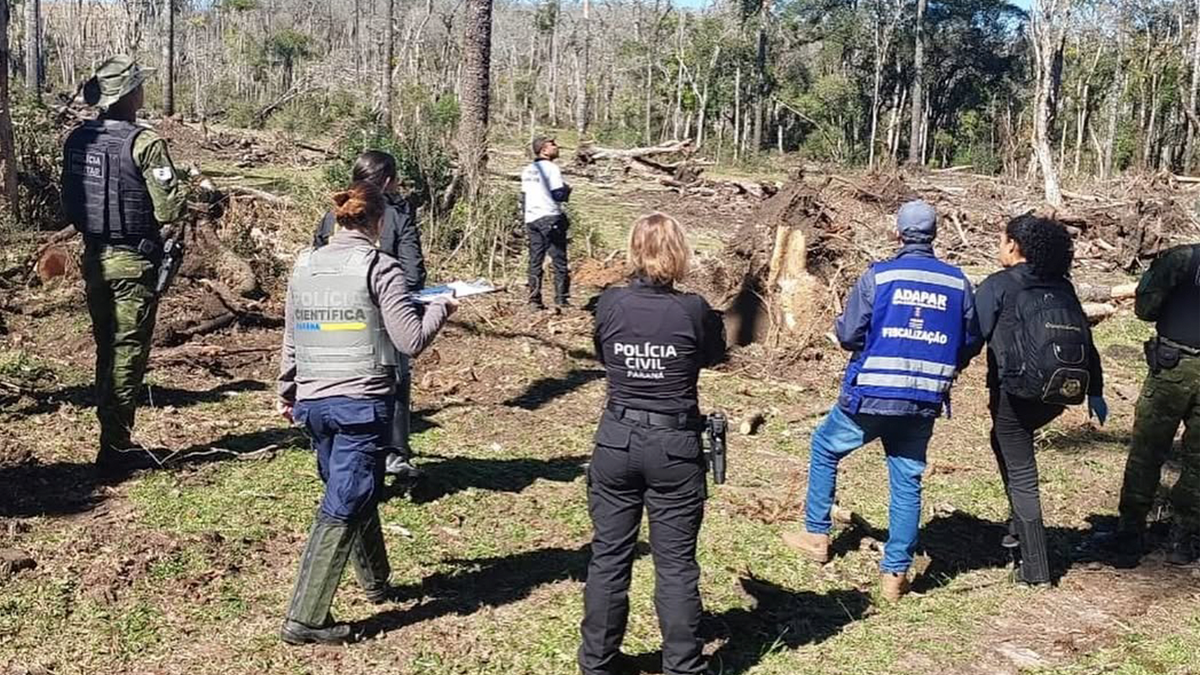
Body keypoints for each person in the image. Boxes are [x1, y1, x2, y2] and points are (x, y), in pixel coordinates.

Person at [277, 181, 454, 645]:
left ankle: (375, 582)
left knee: (353, 486)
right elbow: (410, 340)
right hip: (360, 401)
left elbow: (293, 335)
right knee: (346, 497)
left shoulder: (305, 266)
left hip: (313, 403)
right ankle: (306, 618)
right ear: (381, 222)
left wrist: (286, 389)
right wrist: (440, 308)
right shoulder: (382, 268)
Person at [780, 200, 980, 602]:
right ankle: (895, 576)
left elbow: (850, 335)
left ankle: (817, 535)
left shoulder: (879, 277)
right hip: (923, 400)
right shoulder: (958, 284)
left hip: (870, 397)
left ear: (898, 233)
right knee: (906, 481)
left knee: (824, 447)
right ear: (935, 234)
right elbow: (970, 342)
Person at [580, 213, 725, 675]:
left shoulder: (608, 304)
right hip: (674, 444)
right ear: (679, 253)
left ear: (633, 252)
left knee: (608, 556)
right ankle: (682, 664)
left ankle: (596, 663)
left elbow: (603, 354)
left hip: (617, 439)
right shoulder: (692, 309)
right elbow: (714, 355)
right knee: (677, 563)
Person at [61, 56, 186, 477]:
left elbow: (71, 203)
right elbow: (169, 208)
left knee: (106, 350)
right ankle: (114, 448)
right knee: (127, 354)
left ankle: (111, 437)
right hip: (132, 262)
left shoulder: (78, 139)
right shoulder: (145, 143)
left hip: (94, 259)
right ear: (131, 93)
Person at [974, 214, 1106, 585]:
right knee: (1004, 443)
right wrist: (1095, 391)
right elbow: (1086, 341)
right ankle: (1018, 527)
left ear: (1014, 246)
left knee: (1022, 472)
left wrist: (943, 374)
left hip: (1016, 392)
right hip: (1058, 393)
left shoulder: (998, 285)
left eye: (1001, 240)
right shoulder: (1062, 287)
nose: (999, 246)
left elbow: (971, 334)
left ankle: (1035, 569)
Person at [313, 151, 426, 480]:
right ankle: (394, 453)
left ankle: (335, 449)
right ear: (388, 182)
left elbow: (317, 262)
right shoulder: (397, 216)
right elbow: (413, 272)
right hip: (383, 316)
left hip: (333, 313)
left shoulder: (331, 215)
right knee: (396, 380)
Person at [1107, 242, 1200, 565]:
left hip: (1173, 367)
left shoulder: (1183, 259)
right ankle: (1185, 538)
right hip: (1174, 364)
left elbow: (1145, 308)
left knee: (1148, 451)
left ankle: (1129, 534)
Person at [521, 135, 571, 311]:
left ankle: (534, 301)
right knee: (559, 260)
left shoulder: (528, 169)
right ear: (543, 149)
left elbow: (524, 197)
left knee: (535, 260)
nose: (557, 147)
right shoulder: (551, 168)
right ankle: (561, 300)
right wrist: (567, 190)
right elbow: (558, 195)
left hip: (532, 219)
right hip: (550, 216)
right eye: (553, 144)